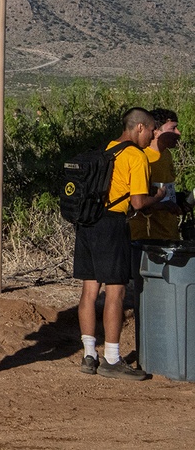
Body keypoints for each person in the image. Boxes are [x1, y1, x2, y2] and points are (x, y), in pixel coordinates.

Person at [75, 107, 163, 381]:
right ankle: (112, 358)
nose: (152, 136)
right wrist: (158, 197)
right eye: (151, 131)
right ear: (139, 128)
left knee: (90, 290)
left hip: (88, 222)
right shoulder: (136, 157)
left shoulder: (107, 149)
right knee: (116, 292)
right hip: (112, 225)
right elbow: (138, 203)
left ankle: (90, 354)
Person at [128, 108, 182, 242]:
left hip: (169, 234)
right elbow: (134, 201)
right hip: (147, 237)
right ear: (156, 130)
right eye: (173, 128)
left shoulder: (167, 155)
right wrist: (162, 204)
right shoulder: (141, 157)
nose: (178, 133)